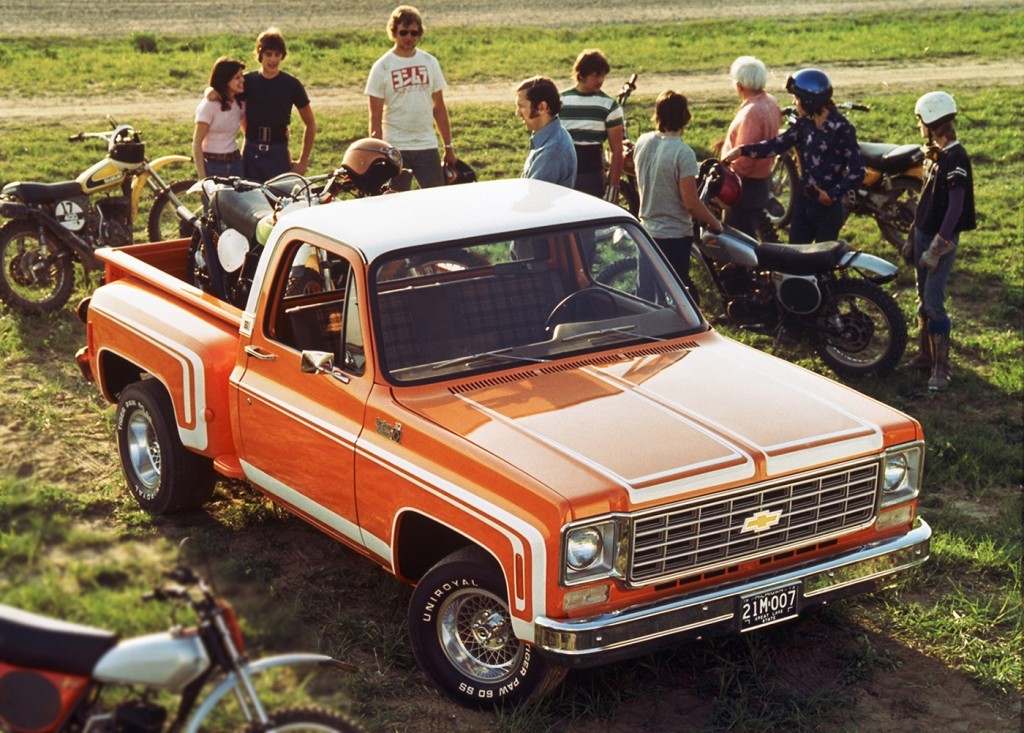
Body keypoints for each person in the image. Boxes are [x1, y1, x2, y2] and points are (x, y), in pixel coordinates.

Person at [723, 68, 864, 244]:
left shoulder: (843, 128)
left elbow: (858, 171)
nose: (795, 103)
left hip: (827, 210)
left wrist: (832, 194)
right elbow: (777, 144)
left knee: (822, 262)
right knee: (795, 259)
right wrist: (742, 150)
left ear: (809, 100)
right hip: (803, 203)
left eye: (797, 99)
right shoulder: (805, 124)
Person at [901, 91, 975, 392]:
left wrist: (938, 245)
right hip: (922, 233)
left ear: (931, 121)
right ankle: (924, 355)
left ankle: (941, 369)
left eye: (920, 121)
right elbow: (925, 200)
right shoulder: (935, 153)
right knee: (922, 298)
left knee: (933, 302)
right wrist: (911, 236)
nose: (919, 126)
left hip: (939, 239)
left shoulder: (956, 158)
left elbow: (956, 208)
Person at [633, 90, 723, 287]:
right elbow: (690, 203)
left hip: (647, 232)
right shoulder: (683, 153)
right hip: (674, 236)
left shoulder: (642, 142)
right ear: (685, 117)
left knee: (647, 294)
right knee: (675, 293)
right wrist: (715, 223)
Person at [365, 6, 456, 191]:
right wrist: (379, 153)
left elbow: (439, 108)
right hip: (395, 147)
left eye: (414, 33)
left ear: (419, 33)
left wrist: (448, 147)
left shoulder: (430, 62)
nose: (408, 37)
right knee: (394, 201)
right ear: (394, 32)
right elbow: (375, 117)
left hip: (427, 146)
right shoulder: (382, 67)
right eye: (403, 32)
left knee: (437, 199)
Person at [242, 28, 317, 182]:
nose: (273, 60)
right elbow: (222, 91)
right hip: (251, 152)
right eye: (268, 54)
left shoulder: (291, 84)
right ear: (260, 55)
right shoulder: (247, 81)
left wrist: (303, 162)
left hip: (278, 153)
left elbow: (310, 123)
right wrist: (210, 91)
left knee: (279, 201)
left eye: (277, 55)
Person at [720, 55, 783, 238]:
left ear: (740, 85)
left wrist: (728, 181)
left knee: (738, 235)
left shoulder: (751, 113)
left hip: (744, 186)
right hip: (762, 179)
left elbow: (744, 159)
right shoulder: (769, 102)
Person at [560, 49, 625, 201]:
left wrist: (613, 187)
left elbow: (617, 149)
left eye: (603, 75)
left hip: (592, 175)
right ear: (581, 75)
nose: (600, 80)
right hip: (563, 172)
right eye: (595, 75)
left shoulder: (609, 105)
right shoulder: (560, 101)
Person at [515, 76, 577, 187]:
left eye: (521, 106)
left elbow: (533, 199)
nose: (518, 113)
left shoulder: (552, 151)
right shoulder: (551, 135)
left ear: (542, 107)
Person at [192, 57, 246, 180]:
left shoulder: (240, 104)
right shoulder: (209, 105)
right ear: (225, 80)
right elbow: (196, 143)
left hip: (236, 164)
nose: (242, 80)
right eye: (237, 77)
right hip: (213, 165)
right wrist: (202, 178)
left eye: (242, 76)